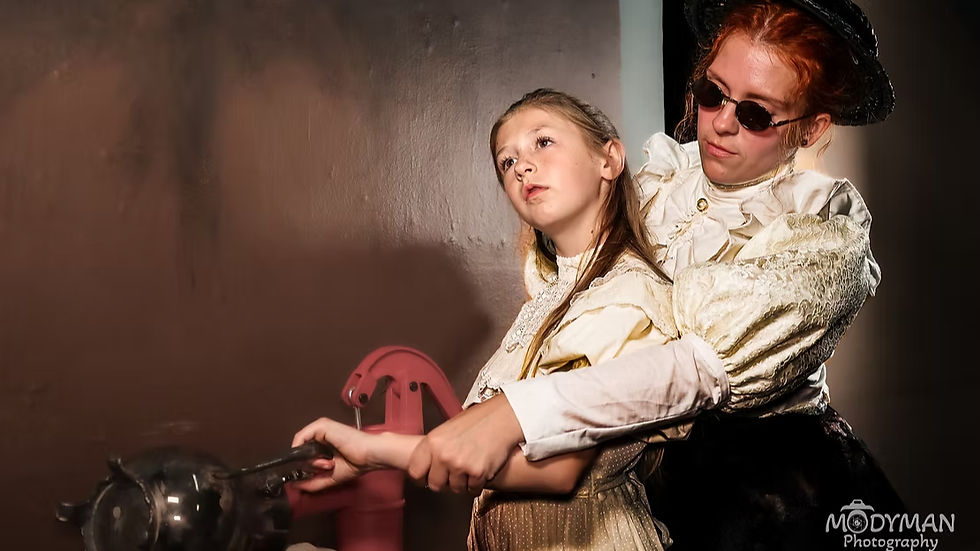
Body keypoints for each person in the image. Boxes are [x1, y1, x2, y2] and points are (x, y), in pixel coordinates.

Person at [402, 0, 905, 549]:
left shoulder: (822, 230)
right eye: (713, 93)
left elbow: (698, 370)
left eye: (757, 114)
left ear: (810, 128)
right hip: (641, 479)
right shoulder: (660, 180)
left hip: (768, 493)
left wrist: (518, 414)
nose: (721, 123)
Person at [293, 89, 684, 550]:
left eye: (543, 142)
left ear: (609, 159)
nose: (521, 166)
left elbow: (558, 469)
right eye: (506, 161)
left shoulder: (625, 291)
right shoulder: (553, 295)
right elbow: (484, 441)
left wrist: (375, 452)